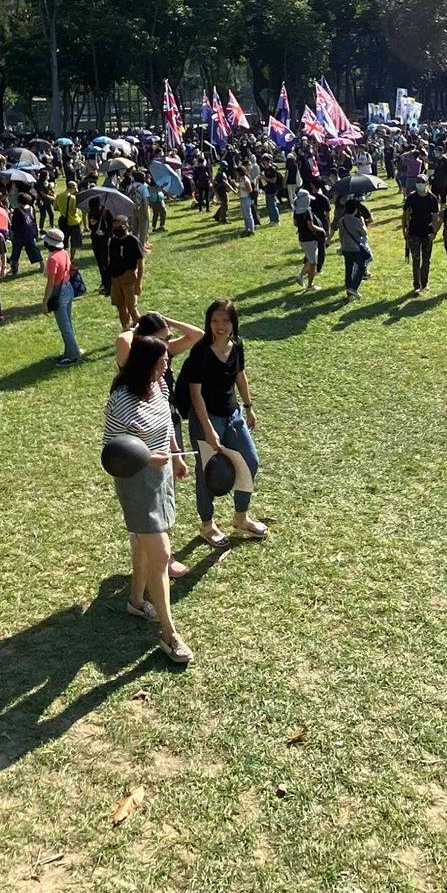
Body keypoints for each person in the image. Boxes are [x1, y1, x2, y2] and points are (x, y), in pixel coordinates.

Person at [103, 334, 192, 665]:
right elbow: (111, 450)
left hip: (162, 475)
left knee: (144, 544)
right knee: (162, 553)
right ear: (144, 364)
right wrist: (147, 457)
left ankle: (136, 602)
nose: (165, 367)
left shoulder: (160, 386)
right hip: (136, 481)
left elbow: (167, 423)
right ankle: (169, 635)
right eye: (160, 362)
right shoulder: (121, 400)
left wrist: (176, 456)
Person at [183, 298, 268, 546]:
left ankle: (241, 517)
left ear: (233, 322)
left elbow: (239, 376)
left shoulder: (237, 345)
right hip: (206, 418)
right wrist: (208, 429)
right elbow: (195, 394)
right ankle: (207, 525)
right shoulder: (200, 351)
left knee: (250, 461)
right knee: (208, 472)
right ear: (208, 323)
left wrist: (248, 407)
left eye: (225, 321)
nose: (220, 326)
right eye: (215, 321)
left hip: (233, 415)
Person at [43, 230, 85, 364]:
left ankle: (73, 355)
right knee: (68, 324)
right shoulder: (64, 253)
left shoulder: (52, 259)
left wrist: (45, 302)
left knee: (64, 327)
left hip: (59, 292)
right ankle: (69, 351)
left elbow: (50, 283)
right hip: (68, 289)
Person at [105, 214, 146, 326]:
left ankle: (143, 331)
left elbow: (140, 263)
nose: (116, 230)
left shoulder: (133, 241)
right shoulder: (113, 241)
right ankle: (126, 329)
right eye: (114, 227)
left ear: (126, 226)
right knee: (120, 307)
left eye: (118, 227)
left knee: (132, 308)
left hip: (128, 278)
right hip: (115, 278)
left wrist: (138, 283)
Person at [401, 179, 437, 296]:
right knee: (416, 260)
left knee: (426, 260)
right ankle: (417, 285)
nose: (420, 184)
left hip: (427, 233)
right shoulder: (411, 197)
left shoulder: (432, 198)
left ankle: (424, 284)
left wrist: (434, 232)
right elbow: (405, 214)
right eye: (418, 182)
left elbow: (435, 217)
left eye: (422, 182)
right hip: (413, 233)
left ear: (426, 184)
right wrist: (404, 230)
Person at [338, 196, 373, 301]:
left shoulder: (341, 220)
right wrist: (362, 222)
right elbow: (364, 233)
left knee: (348, 270)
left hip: (345, 248)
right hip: (355, 248)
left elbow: (340, 235)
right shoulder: (356, 221)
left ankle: (348, 292)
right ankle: (354, 288)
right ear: (356, 209)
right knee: (362, 266)